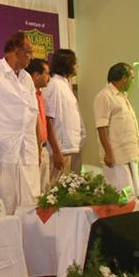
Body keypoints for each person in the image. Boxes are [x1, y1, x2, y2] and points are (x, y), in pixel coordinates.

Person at [0, 33, 39, 214]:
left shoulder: (27, 78)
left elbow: (32, 115)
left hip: (27, 149)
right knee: (3, 203)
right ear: (16, 51)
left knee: (30, 203)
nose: (31, 57)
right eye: (28, 52)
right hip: (2, 151)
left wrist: (37, 148)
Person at [94, 62, 139, 196]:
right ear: (124, 78)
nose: (132, 81)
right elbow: (101, 127)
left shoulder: (122, 96)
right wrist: (108, 153)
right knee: (122, 196)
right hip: (116, 157)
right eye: (132, 78)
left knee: (134, 195)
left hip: (129, 155)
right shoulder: (104, 96)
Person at [44, 48, 85, 179]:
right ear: (67, 64)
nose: (77, 66)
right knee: (55, 187)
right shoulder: (54, 85)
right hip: (61, 150)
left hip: (71, 148)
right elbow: (48, 119)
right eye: (75, 63)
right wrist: (56, 152)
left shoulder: (65, 85)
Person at [25, 58, 63, 194]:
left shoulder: (40, 95)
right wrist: (37, 149)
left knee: (44, 192)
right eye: (46, 73)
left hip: (43, 146)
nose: (49, 77)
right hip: (32, 148)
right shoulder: (27, 94)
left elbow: (45, 123)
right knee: (33, 192)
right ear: (36, 75)